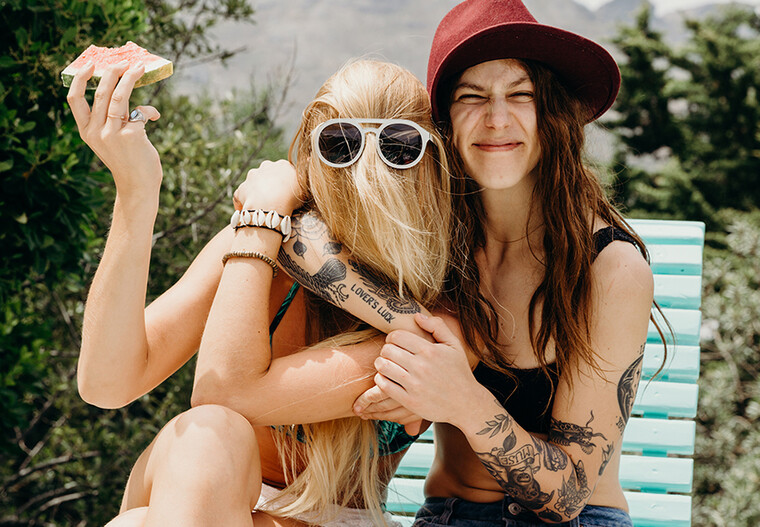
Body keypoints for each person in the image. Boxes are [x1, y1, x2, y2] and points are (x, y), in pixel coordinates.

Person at [288, 1, 660, 525]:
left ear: (552, 112)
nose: (497, 119)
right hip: (446, 515)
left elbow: (571, 491)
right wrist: (427, 335)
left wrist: (460, 398)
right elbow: (300, 235)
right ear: (443, 121)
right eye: (473, 97)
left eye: (520, 95)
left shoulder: (609, 267)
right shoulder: (436, 234)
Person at [67, 58, 459, 526]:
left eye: (399, 146)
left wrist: (259, 218)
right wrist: (136, 191)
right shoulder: (264, 242)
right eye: (339, 144)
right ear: (307, 158)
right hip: (205, 490)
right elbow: (107, 384)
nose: (367, 169)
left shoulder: (443, 301)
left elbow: (223, 389)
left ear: (433, 163)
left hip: (332, 517)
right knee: (209, 438)